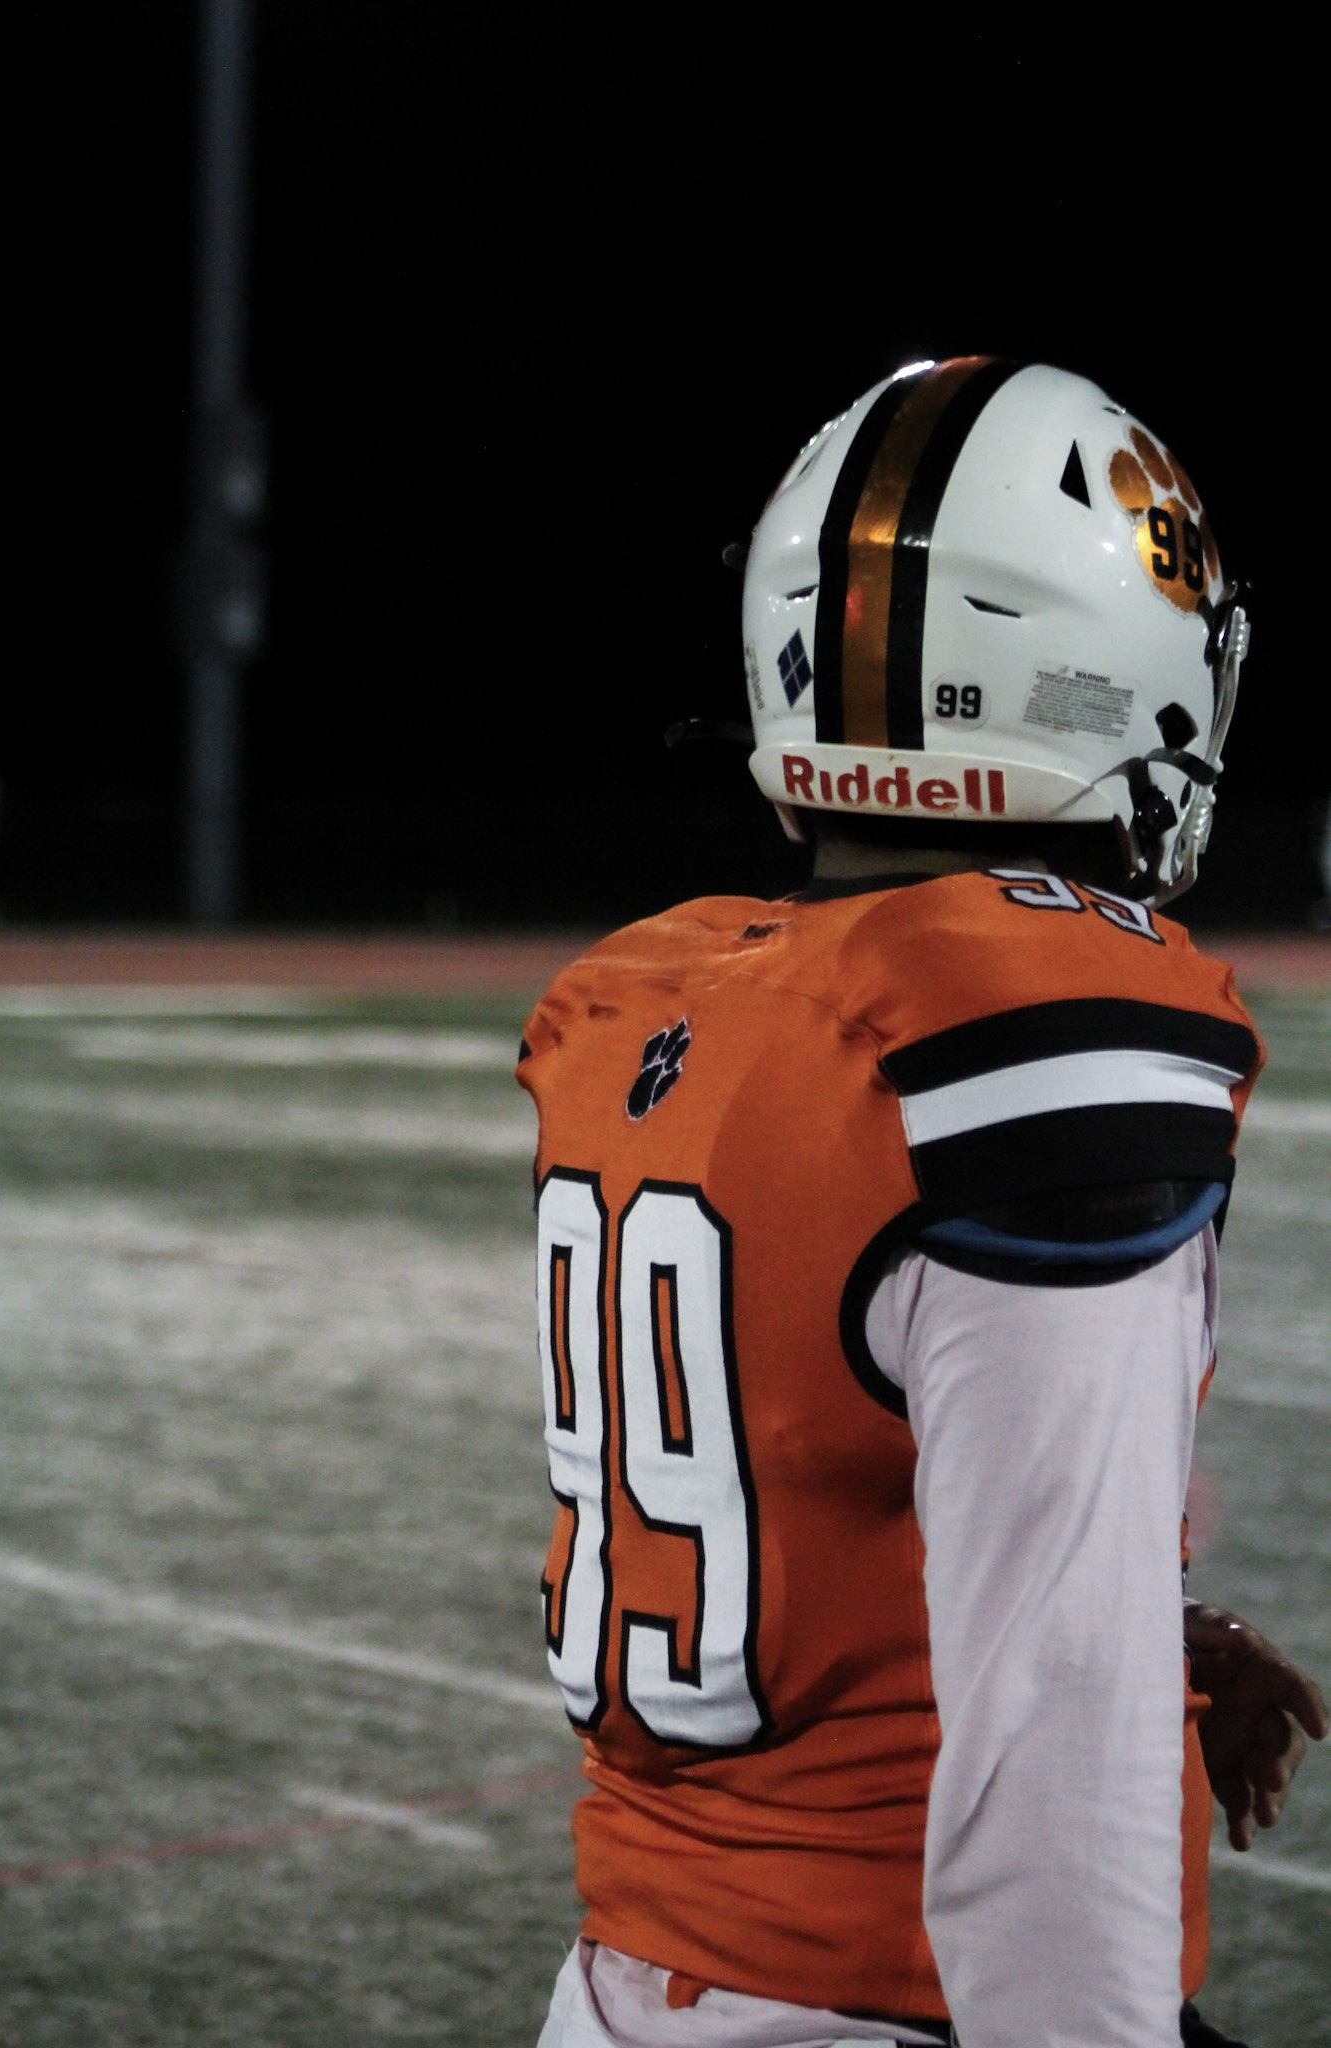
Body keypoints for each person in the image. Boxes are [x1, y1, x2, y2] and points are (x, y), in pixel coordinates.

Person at [517, 357, 1327, 2048]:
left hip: (634, 1987)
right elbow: (1054, 1731)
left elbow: (818, 1465)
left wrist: (1144, 1616)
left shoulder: (661, 1001)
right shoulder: (1027, 1034)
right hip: (892, 2002)